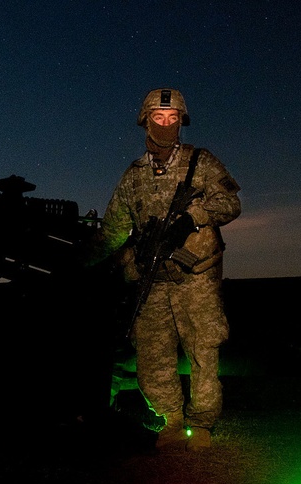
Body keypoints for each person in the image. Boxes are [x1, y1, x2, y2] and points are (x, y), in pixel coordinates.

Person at [85, 88, 241, 450]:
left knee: (203, 349)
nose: (166, 125)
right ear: (146, 121)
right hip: (152, 279)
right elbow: (112, 232)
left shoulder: (200, 162)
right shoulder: (134, 176)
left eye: (173, 119)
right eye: (159, 118)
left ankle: (201, 423)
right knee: (152, 354)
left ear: (181, 123)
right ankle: (170, 420)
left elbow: (230, 202)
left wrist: (193, 218)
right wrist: (80, 262)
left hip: (196, 276)